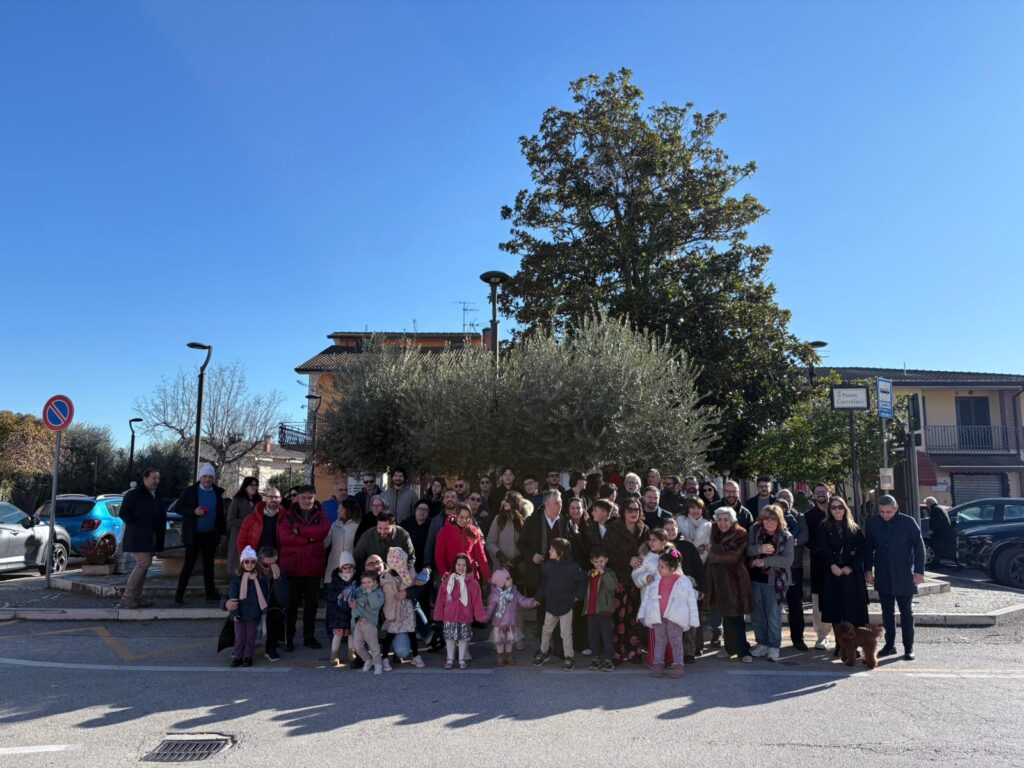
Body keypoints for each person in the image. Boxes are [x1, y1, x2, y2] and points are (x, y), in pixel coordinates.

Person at [865, 495, 925, 661]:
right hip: (883, 573)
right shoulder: (873, 522)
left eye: (889, 512)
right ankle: (889, 645)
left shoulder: (908, 522)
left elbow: (919, 547)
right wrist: (868, 570)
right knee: (887, 613)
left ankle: (909, 647)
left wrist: (919, 571)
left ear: (896, 508)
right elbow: (868, 548)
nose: (885, 515)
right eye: (882, 512)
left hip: (904, 573)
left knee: (906, 612)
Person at [277, 484, 330, 651]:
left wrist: (299, 531)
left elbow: (322, 531)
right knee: (291, 606)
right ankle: (289, 638)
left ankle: (309, 637)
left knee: (311, 606)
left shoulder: (321, 515)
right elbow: (284, 537)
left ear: (314, 498)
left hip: (313, 568)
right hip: (292, 568)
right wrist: (308, 539)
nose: (307, 501)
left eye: (310, 498)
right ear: (297, 498)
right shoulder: (287, 515)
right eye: (303, 497)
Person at [817, 497, 870, 655]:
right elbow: (822, 548)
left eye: (840, 507)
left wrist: (851, 567)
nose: (837, 510)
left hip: (851, 575)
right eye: (833, 507)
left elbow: (862, 550)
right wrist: (832, 565)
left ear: (845, 508)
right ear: (829, 510)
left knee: (852, 610)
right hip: (832, 573)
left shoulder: (854, 528)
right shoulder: (823, 526)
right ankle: (840, 644)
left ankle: (853, 645)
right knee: (835, 610)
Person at [638, 549, 700, 678]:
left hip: (675, 618)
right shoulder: (655, 581)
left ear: (673, 568)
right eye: (658, 566)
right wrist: (642, 614)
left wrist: (694, 620)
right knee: (659, 642)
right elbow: (647, 599)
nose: (659, 569)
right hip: (658, 617)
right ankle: (658, 665)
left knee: (676, 642)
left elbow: (691, 602)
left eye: (662, 567)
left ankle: (678, 665)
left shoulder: (684, 581)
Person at [174, 463, 226, 605]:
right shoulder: (190, 491)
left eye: (210, 477)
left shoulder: (217, 492)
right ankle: (179, 595)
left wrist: (221, 533)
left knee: (209, 566)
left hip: (210, 535)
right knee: (189, 565)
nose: (207, 480)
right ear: (200, 477)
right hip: (194, 535)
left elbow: (221, 514)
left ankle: (210, 593)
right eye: (205, 476)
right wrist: (193, 512)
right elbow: (179, 508)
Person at [747, 505, 794, 662]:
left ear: (779, 520)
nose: (769, 522)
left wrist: (766, 561)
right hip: (754, 579)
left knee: (773, 615)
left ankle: (774, 646)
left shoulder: (786, 536)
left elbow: (787, 560)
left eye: (772, 519)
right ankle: (762, 644)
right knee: (757, 615)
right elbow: (747, 550)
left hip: (775, 582)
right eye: (766, 519)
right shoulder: (754, 531)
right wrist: (759, 548)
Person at [604, 498, 648, 663]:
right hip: (619, 579)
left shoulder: (645, 529)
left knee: (635, 616)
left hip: (637, 580)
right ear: (623, 511)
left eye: (636, 509)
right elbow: (608, 551)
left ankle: (633, 650)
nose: (633, 513)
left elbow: (648, 551)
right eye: (630, 510)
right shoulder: (613, 528)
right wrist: (628, 559)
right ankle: (617, 651)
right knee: (618, 617)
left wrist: (641, 560)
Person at [707, 506, 753, 663]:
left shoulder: (741, 533)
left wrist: (713, 552)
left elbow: (733, 556)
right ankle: (729, 648)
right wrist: (716, 552)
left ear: (732, 520)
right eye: (719, 519)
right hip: (718, 580)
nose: (722, 523)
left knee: (737, 617)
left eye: (726, 520)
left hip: (736, 580)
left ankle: (743, 651)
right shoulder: (713, 531)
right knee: (726, 617)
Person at [533, 538, 587, 671]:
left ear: (561, 552)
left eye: (552, 549)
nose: (549, 551)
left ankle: (569, 657)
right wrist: (538, 598)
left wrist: (577, 597)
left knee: (566, 633)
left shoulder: (573, 567)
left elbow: (584, 580)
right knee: (546, 630)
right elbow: (543, 583)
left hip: (566, 606)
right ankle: (543, 652)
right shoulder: (548, 566)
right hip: (550, 605)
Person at [118, 468, 166, 609]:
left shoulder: (156, 495)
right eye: (153, 478)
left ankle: (136, 596)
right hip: (138, 536)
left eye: (158, 478)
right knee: (143, 563)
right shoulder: (134, 495)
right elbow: (124, 513)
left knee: (146, 565)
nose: (156, 481)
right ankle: (128, 596)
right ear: (145, 479)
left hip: (150, 536)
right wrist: (139, 523)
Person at [663, 517, 706, 663]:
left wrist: (701, 588)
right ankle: (671, 652)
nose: (671, 531)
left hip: (688, 587)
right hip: (668, 590)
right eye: (667, 529)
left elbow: (699, 568)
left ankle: (689, 651)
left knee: (689, 621)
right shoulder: (660, 548)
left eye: (673, 528)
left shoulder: (687, 546)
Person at [434, 553, 487, 669]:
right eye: (458, 564)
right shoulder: (447, 581)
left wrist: (480, 615)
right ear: (454, 565)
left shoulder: (473, 583)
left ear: (468, 567)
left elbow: (477, 601)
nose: (461, 567)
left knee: (463, 638)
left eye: (464, 565)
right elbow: (440, 599)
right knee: (449, 638)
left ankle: (462, 659)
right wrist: (438, 614)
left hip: (465, 615)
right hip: (449, 615)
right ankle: (450, 659)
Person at [518, 490, 572, 601]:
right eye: (557, 502)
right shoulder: (532, 521)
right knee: (540, 612)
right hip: (537, 574)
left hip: (559, 576)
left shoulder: (565, 522)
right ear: (546, 503)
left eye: (561, 502)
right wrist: (532, 556)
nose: (560, 505)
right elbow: (521, 544)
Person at [380, 546, 428, 669]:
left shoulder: (410, 571)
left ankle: (416, 655)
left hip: (407, 607)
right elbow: (389, 596)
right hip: (394, 610)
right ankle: (384, 657)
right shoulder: (386, 577)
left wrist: (423, 576)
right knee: (390, 633)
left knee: (411, 631)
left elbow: (418, 583)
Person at [632, 528, 673, 667]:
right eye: (650, 539)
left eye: (655, 540)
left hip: (668, 600)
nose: (651, 542)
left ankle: (668, 659)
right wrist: (645, 578)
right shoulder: (644, 557)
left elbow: (679, 574)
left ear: (664, 542)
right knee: (654, 632)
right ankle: (655, 659)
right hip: (652, 600)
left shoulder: (672, 556)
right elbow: (635, 575)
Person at [227, 546, 269, 668]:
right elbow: (233, 597)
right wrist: (234, 613)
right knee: (239, 636)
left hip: (254, 612)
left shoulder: (260, 579)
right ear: (242, 563)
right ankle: (238, 656)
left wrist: (261, 611)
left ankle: (248, 656)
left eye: (252, 562)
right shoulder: (237, 579)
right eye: (246, 561)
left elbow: (264, 596)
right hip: (240, 612)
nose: (249, 564)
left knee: (251, 636)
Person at [777, 494, 810, 650]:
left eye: (787, 500)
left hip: (794, 567)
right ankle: (771, 640)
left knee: (795, 604)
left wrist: (790, 542)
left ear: (792, 502)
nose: (785, 503)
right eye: (781, 499)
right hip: (774, 568)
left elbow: (804, 536)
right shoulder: (770, 516)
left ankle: (798, 638)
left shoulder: (799, 517)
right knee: (772, 605)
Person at [486, 568, 536, 665]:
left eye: (510, 578)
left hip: (510, 623)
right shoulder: (494, 596)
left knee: (509, 641)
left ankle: (508, 656)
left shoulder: (514, 592)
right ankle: (500, 656)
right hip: (499, 624)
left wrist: (532, 602)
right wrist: (484, 615)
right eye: (508, 579)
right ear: (501, 583)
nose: (511, 580)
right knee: (500, 642)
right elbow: (490, 609)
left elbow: (522, 601)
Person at [805, 482, 834, 649]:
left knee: (838, 598)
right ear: (814, 496)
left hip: (838, 564)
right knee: (818, 601)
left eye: (823, 491)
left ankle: (842, 635)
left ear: (829, 493)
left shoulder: (838, 510)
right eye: (817, 492)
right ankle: (822, 636)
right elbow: (807, 540)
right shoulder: (808, 516)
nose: (821, 494)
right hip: (819, 565)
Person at [583, 546, 618, 671]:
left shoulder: (609, 573)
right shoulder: (590, 574)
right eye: (596, 562)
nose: (599, 564)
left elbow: (613, 586)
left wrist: (604, 574)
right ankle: (595, 658)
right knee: (593, 636)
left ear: (606, 560)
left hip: (605, 611)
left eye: (601, 561)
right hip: (591, 611)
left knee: (606, 636)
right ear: (592, 562)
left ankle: (608, 659)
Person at [353, 509, 416, 574]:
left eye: (386, 528)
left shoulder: (403, 535)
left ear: (393, 525)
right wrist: (368, 572)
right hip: (372, 576)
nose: (382, 532)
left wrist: (400, 573)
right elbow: (357, 558)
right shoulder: (367, 536)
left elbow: (410, 559)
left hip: (396, 576)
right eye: (379, 528)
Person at [349, 570, 386, 674]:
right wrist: (352, 604)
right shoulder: (358, 591)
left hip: (370, 623)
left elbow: (375, 606)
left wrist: (369, 594)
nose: (366, 585)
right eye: (364, 583)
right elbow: (352, 601)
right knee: (357, 646)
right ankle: (368, 660)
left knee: (373, 645)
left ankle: (378, 664)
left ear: (375, 582)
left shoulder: (378, 593)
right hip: (358, 622)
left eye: (369, 582)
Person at [325, 551, 357, 667]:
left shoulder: (356, 580)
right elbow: (328, 594)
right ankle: (334, 654)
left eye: (350, 567)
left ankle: (351, 652)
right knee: (338, 634)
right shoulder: (335, 580)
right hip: (338, 613)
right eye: (345, 568)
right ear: (340, 569)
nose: (347, 570)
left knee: (351, 633)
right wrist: (336, 596)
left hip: (352, 611)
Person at [486, 490, 530, 574]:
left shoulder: (526, 520)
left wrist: (520, 558)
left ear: (516, 502)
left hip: (520, 569)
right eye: (504, 500)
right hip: (501, 567)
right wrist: (499, 554)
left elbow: (529, 544)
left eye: (507, 500)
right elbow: (490, 542)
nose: (504, 502)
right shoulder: (498, 519)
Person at [226, 477, 260, 574]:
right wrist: (246, 523)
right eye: (251, 485)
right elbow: (230, 520)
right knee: (237, 564)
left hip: (255, 536)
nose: (254, 487)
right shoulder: (237, 500)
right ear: (245, 487)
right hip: (239, 535)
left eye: (256, 485)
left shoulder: (259, 502)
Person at [324, 498, 361, 585]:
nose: (337, 511)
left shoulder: (358, 526)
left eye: (340, 509)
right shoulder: (335, 524)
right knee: (331, 591)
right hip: (334, 564)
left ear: (347, 510)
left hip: (350, 565)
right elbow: (326, 542)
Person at [237, 487, 283, 555]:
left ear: (280, 499)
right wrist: (246, 557)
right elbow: (241, 540)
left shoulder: (285, 518)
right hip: (255, 558)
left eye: (276, 497)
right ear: (266, 499)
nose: (273, 499)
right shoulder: (251, 518)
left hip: (277, 559)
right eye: (270, 497)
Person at [925, 496, 959, 567]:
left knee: (936, 549)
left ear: (930, 503)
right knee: (939, 549)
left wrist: (932, 530)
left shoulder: (935, 510)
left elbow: (937, 522)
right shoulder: (940, 508)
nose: (926, 505)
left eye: (927, 504)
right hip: (944, 533)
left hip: (939, 533)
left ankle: (935, 565)